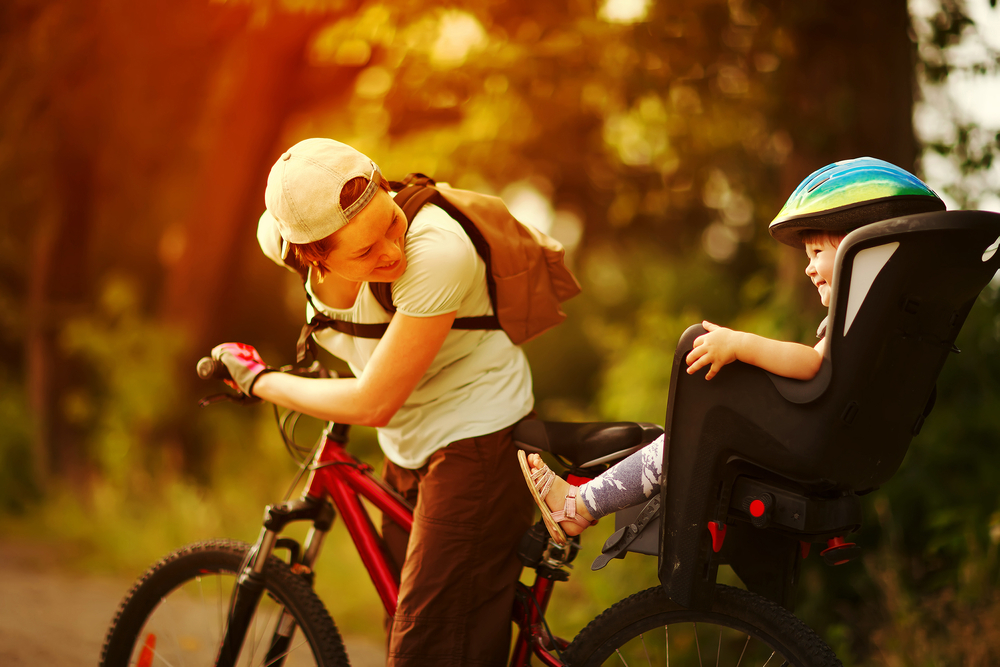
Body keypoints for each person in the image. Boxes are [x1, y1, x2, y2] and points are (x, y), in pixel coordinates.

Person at [211, 138, 537, 667]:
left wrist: (259, 381)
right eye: (364, 251)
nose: (392, 249)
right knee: (409, 629)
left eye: (389, 220)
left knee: (425, 651)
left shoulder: (437, 252)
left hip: (478, 437)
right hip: (408, 444)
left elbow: (373, 403)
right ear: (311, 255)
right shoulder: (282, 237)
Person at [521, 156, 947, 546]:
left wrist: (738, 344)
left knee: (685, 438)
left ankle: (578, 506)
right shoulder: (888, 327)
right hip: (845, 449)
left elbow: (815, 364)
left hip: (804, 441)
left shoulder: (855, 323)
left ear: (863, 255)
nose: (807, 265)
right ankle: (583, 503)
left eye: (817, 251)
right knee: (678, 442)